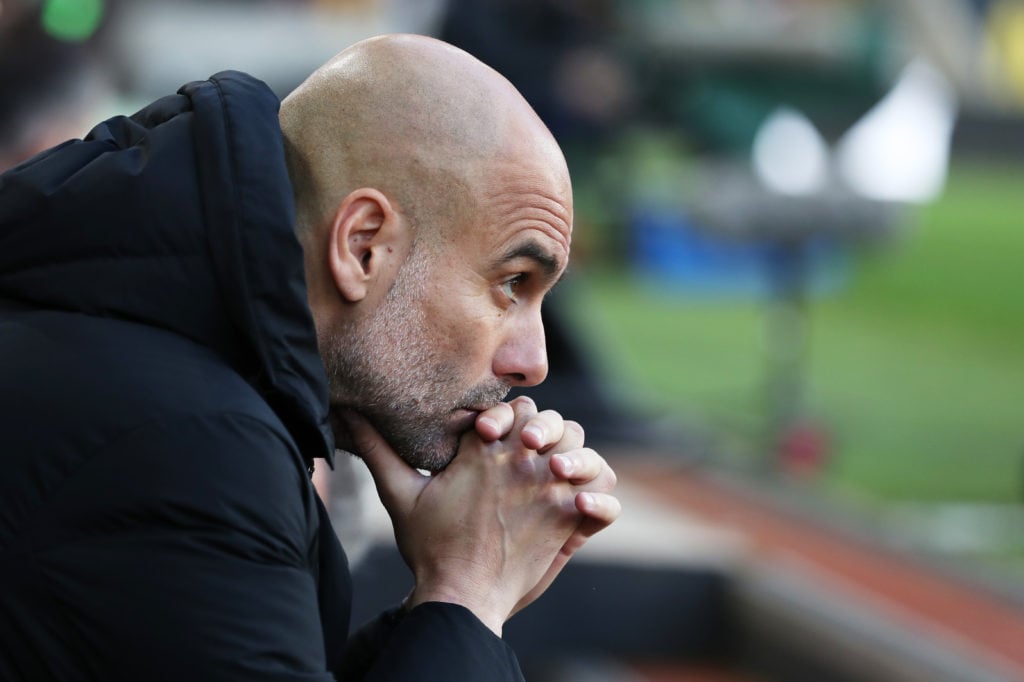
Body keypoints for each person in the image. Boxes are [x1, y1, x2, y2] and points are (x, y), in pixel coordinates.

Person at [0, 33, 620, 681]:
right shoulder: (188, 443)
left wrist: (441, 609)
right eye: (512, 282)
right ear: (362, 247)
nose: (534, 361)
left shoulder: (157, 357)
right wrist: (468, 594)